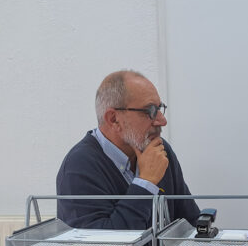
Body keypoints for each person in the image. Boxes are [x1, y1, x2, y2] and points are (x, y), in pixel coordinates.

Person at [56, 70, 200, 229]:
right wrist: (146, 183)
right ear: (114, 119)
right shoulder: (78, 167)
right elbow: (103, 243)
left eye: (160, 108)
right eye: (150, 111)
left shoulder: (159, 151)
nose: (162, 120)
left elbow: (191, 224)